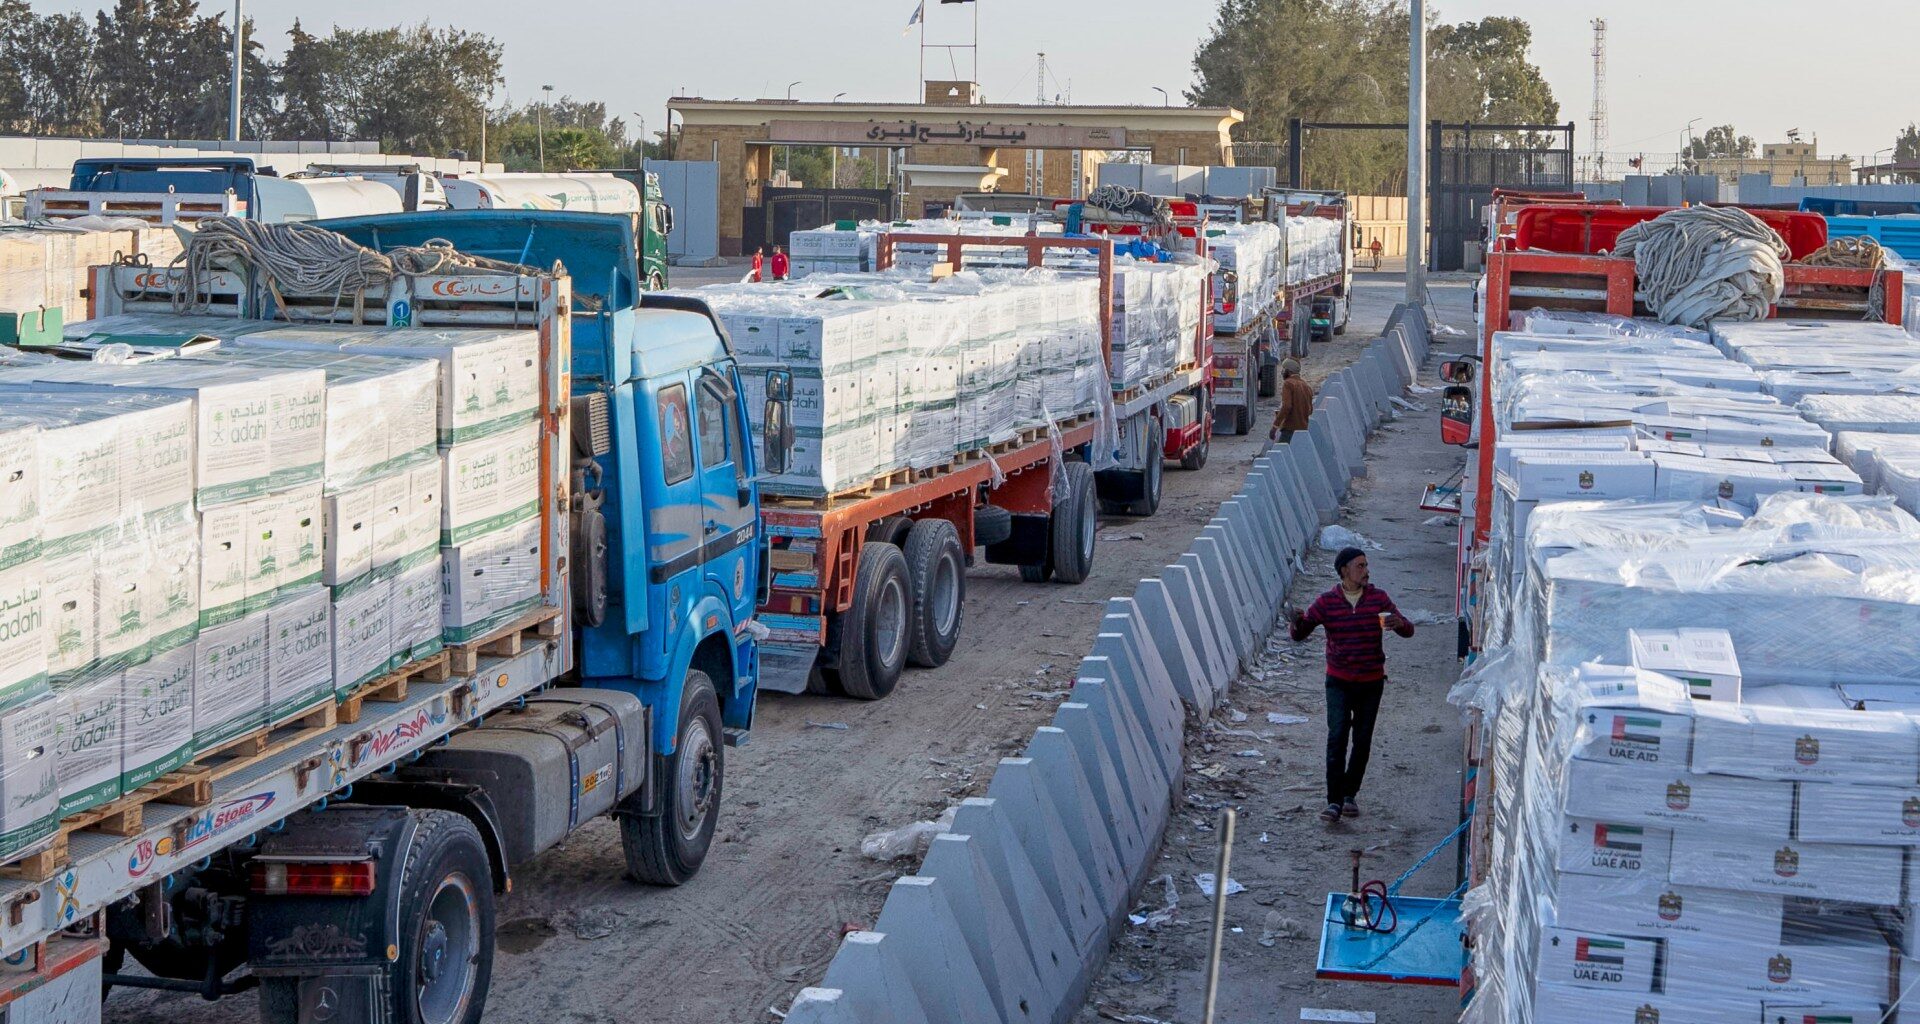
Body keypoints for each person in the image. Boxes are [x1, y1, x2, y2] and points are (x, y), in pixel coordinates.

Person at [1289, 547, 1414, 823]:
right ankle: (1333, 801)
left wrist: (1399, 623)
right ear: (1344, 570)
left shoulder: (1378, 599)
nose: (1366, 571)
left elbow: (1408, 629)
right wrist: (1295, 621)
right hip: (1339, 682)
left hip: (1371, 682)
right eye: (1360, 566)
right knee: (1337, 738)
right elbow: (1301, 633)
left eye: (1366, 565)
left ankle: (1349, 795)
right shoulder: (1327, 602)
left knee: (1362, 741)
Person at [1270, 359, 1313, 443]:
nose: (1282, 372)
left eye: (1283, 369)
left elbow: (1287, 406)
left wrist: (1275, 426)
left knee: (1281, 451)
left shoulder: (1288, 383)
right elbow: (1310, 410)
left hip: (1289, 429)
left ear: (1289, 371)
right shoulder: (1306, 386)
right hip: (1303, 430)